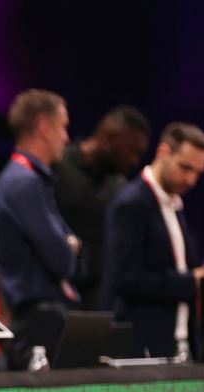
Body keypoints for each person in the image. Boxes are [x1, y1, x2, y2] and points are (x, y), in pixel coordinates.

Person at [104, 123, 204, 359]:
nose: (191, 180)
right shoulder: (131, 204)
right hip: (144, 348)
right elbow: (126, 280)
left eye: (198, 173)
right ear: (163, 152)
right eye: (185, 168)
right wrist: (197, 278)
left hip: (180, 343)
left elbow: (177, 271)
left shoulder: (174, 203)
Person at [0, 89, 81, 371]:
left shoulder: (30, 180)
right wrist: (69, 246)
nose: (66, 138)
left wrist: (69, 246)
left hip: (42, 321)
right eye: (63, 127)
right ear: (44, 128)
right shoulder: (23, 183)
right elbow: (63, 259)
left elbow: (70, 249)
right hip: (37, 326)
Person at [54, 105, 151, 309]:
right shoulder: (58, 167)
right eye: (132, 151)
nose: (135, 161)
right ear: (109, 138)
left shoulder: (120, 188)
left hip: (101, 303)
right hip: (56, 298)